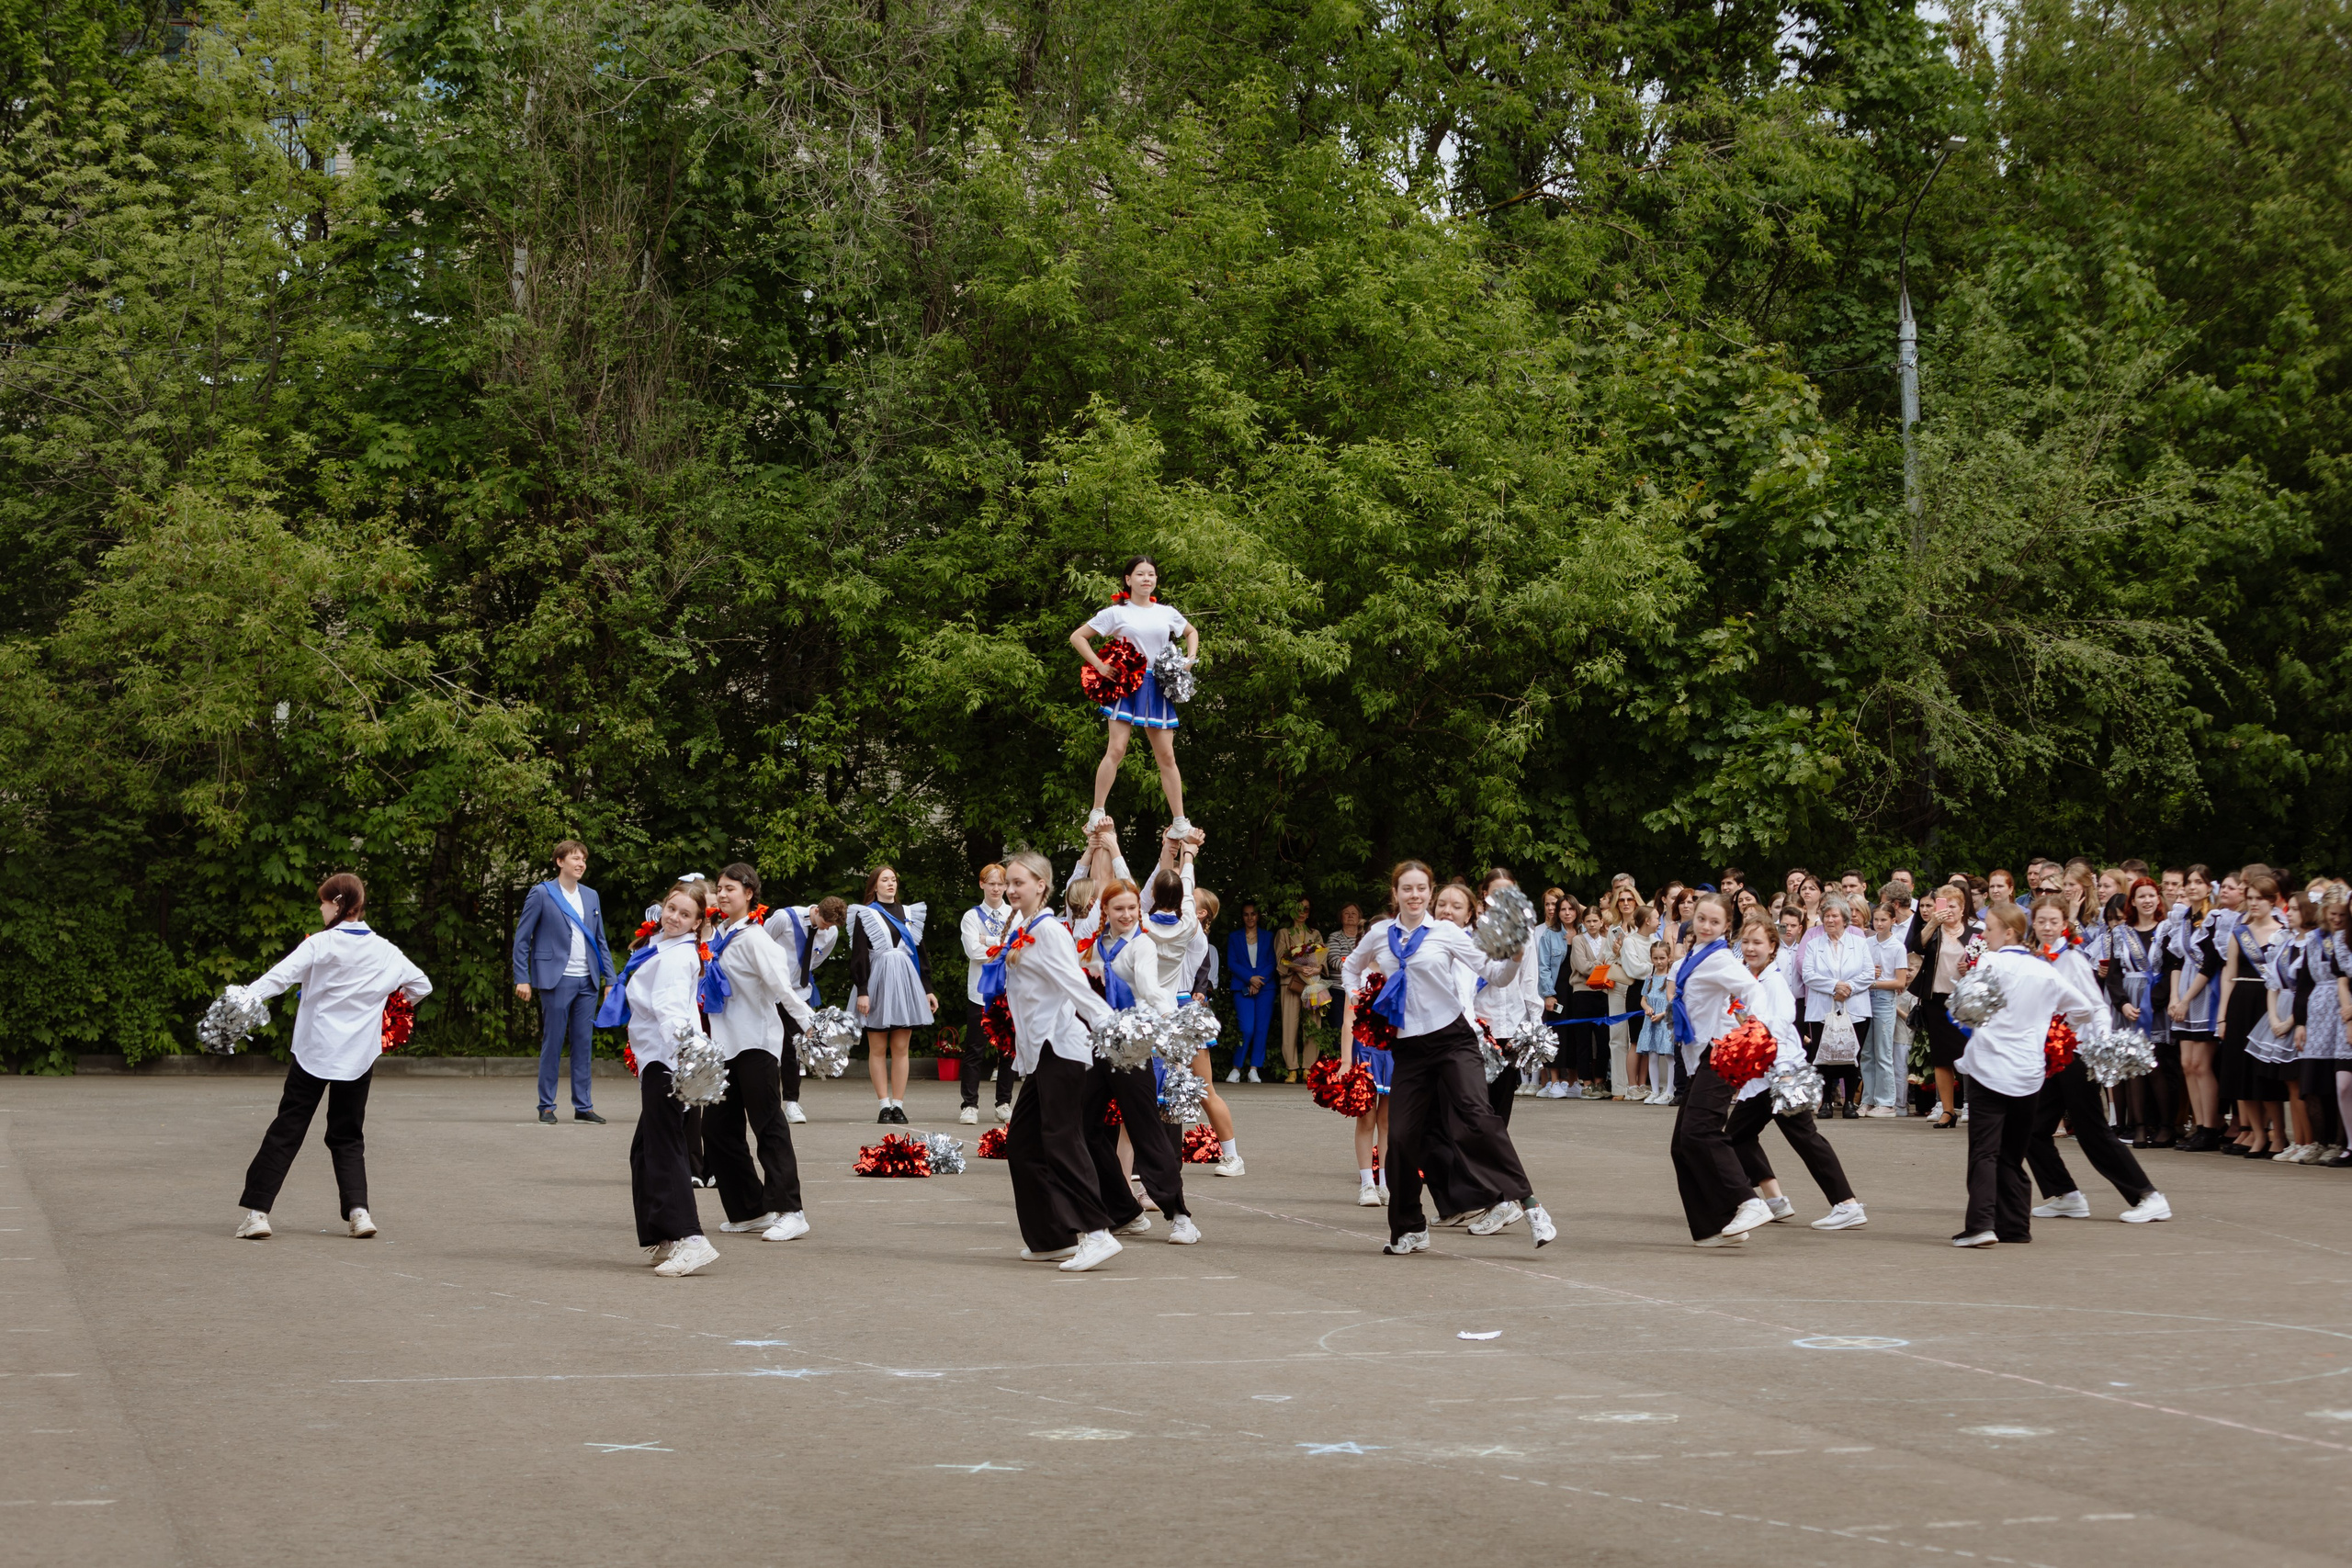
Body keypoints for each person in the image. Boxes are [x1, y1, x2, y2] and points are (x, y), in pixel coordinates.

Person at [1339, 861, 1555, 1254]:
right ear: (1396, 893)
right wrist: (1363, 1001)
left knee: (1476, 1118)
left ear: (1430, 891)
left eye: (1422, 888)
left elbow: (1495, 974)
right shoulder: (1379, 934)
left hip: (1453, 1041)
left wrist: (1517, 956)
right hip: (1408, 1050)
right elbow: (1349, 969)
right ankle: (1410, 1228)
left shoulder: (1445, 934)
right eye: (1407, 888)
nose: (1415, 895)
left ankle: (1530, 1205)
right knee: (1402, 1138)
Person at [232, 874, 432, 1242]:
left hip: (315, 1051)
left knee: (287, 1129)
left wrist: (242, 1000)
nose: (322, 909)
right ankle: (359, 1212)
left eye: (324, 903)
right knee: (348, 1135)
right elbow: (421, 985)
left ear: (337, 905)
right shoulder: (386, 950)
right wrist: (385, 1004)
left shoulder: (320, 944)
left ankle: (258, 1213)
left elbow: (279, 978)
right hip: (358, 1054)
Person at [992, 851, 1123, 1272]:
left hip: (1061, 1048)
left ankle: (1098, 1233)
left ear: (1041, 886)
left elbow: (1074, 984)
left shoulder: (1048, 930)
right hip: (1039, 1053)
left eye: (1019, 883)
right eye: (1008, 883)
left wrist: (1112, 1025)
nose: (1011, 889)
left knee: (1062, 1139)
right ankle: (1052, 1238)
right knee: (1023, 1144)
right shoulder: (1022, 925)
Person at [1951, 900, 2107, 1248]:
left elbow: (1965, 1006)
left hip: (1990, 1069)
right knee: (2011, 1153)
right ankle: (2015, 1226)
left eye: (1989, 929)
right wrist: (2049, 1027)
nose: (1984, 935)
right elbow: (2083, 1007)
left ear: (2008, 932)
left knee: (1985, 1152)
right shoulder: (2046, 971)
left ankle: (1981, 1225)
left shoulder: (1991, 961)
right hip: (2029, 1074)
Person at [2021, 897, 2171, 1224]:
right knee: (2033, 1128)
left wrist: (2100, 1042)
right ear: (2033, 922)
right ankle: (2067, 1195)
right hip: (2049, 1055)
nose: (2047, 927)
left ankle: (2148, 1195)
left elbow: (2096, 1005)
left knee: (2093, 1131)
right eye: (2041, 921)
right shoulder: (2035, 957)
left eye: (2053, 921)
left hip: (2077, 1053)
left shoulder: (2072, 958)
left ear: (2064, 923)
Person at [608, 880, 722, 1276]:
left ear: (696, 924)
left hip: (668, 1063)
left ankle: (692, 1239)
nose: (675, 917)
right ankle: (668, 1236)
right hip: (658, 1060)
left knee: (665, 1150)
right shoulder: (660, 946)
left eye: (685, 914)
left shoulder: (677, 957)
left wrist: (683, 1068)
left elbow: (672, 1012)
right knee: (645, 1151)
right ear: (663, 906)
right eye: (672, 908)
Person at [1725, 917, 1868, 1231]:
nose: (1750, 948)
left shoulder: (1773, 982)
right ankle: (1775, 1200)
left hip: (1783, 1075)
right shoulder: (1751, 979)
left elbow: (1779, 1023)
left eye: (1758, 942)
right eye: (1745, 942)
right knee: (1736, 1136)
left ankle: (1847, 1204)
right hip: (1763, 1078)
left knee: (1806, 1139)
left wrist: (1746, 1034)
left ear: (1772, 947)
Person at [1082, 865, 1200, 1244]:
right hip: (1098, 1047)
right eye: (1119, 909)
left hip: (1132, 1047)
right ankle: (1124, 1210)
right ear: (1106, 911)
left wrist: (1169, 1023)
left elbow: (1149, 988)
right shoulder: (1095, 945)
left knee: (1147, 1131)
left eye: (1132, 908)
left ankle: (1180, 1215)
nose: (1127, 915)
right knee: (1085, 1128)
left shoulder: (1142, 944)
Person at [700, 864, 817, 1244]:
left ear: (749, 893)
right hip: (725, 1047)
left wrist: (810, 1022)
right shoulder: (720, 936)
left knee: (768, 1126)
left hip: (757, 1045)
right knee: (716, 1130)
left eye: (730, 888)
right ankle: (751, 1210)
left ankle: (791, 1210)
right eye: (719, 888)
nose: (722, 894)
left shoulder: (755, 938)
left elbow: (782, 987)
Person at [1663, 891, 1772, 1247]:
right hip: (1699, 1057)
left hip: (1721, 1053)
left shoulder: (1721, 958)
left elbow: (1751, 990)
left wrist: (1756, 1028)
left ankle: (1749, 1201)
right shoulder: (1692, 956)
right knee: (1682, 1146)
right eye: (1702, 919)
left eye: (1715, 922)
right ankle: (1716, 1225)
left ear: (1727, 927)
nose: (1707, 926)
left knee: (1701, 1132)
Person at [1071, 555, 1197, 832]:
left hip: (1159, 685)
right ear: (1128, 580)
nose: (1146, 579)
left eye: (1151, 574)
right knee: (1116, 749)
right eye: (1140, 574)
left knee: (1166, 757)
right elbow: (1078, 636)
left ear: (1155, 580)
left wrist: (1190, 659)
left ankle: (1179, 821)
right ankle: (1097, 811)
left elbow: (1191, 631)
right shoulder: (1116, 612)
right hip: (1126, 684)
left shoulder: (1166, 612)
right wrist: (1100, 666)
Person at [511, 839, 615, 1125]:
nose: (580, 863)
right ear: (559, 862)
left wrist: (611, 979)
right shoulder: (542, 893)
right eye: (574, 858)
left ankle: (583, 1106)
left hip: (588, 980)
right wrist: (523, 977)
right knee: (553, 1042)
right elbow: (522, 939)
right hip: (556, 979)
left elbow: (600, 940)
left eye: (583, 859)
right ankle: (546, 1105)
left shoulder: (591, 896)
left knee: (583, 1045)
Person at [850, 865, 938, 1125]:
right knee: (877, 1047)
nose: (891, 884)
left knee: (901, 1048)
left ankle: (898, 1105)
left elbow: (921, 954)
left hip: (906, 984)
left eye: (893, 879)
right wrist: (863, 990)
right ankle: (883, 1105)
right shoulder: (865, 913)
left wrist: (928, 988)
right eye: (884, 880)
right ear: (874, 886)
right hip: (877, 983)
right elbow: (859, 955)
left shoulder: (911, 913)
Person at [2217, 874, 2291, 1158]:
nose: (2254, 903)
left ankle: (2279, 1135)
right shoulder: (2239, 932)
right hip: (2241, 1003)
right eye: (2250, 898)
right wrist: (2222, 1016)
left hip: (2270, 1004)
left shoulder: (2284, 931)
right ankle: (2258, 1135)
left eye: (2260, 898)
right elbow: (2229, 973)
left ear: (2272, 901)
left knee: (2266, 1075)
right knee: (2241, 1073)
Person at [2104, 877, 2175, 1146]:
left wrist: (2154, 1001)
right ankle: (2139, 1126)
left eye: (2151, 895)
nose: (2147, 900)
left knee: (2154, 1067)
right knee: (2132, 1068)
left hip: (2155, 1002)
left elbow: (2171, 970)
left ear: (2158, 899)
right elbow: (2113, 975)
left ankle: (2166, 1126)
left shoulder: (2167, 931)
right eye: (2141, 896)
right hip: (2128, 1004)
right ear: (2132, 901)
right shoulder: (2121, 933)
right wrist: (2122, 1003)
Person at [1183, 886, 1243, 1175]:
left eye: (1188, 896)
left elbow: (1201, 978)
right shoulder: (1168, 925)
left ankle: (1232, 1155)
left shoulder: (1195, 935)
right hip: (1160, 1011)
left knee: (1205, 1089)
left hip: (1185, 1013)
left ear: (1201, 913)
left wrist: (1198, 993)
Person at [1909, 885, 1980, 1128]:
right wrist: (1932, 923)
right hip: (1936, 1001)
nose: (1948, 910)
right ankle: (1948, 1111)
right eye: (1944, 905)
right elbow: (1915, 947)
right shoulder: (1933, 932)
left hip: (1966, 1002)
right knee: (1941, 1059)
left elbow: (1988, 966)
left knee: (1970, 1054)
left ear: (1962, 909)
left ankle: (1976, 1106)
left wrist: (1972, 968)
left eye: (1953, 906)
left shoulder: (1974, 934)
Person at [1800, 893, 1874, 1117]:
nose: (1830, 920)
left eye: (1834, 916)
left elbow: (1869, 973)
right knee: (1821, 1056)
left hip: (1855, 1007)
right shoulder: (1813, 945)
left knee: (1853, 1055)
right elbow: (1808, 975)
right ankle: (1825, 1103)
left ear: (1844, 918)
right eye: (1826, 916)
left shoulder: (1860, 943)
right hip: (1822, 1007)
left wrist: (1848, 987)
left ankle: (1850, 1102)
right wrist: (1834, 986)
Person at [774, 896, 844, 1124]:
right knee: (768, 1048)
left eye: (831, 926)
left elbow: (816, 960)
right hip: (770, 992)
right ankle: (769, 1102)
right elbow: (759, 946)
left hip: (797, 993)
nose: (826, 929)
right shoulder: (785, 918)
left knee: (795, 1048)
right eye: (825, 923)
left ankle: (792, 1102)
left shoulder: (831, 932)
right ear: (816, 911)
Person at [957, 863, 1018, 1125]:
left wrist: (988, 941)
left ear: (1006, 887)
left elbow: (1019, 948)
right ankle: (969, 1104)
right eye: (991, 883)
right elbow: (973, 951)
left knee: (1008, 1051)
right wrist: (1000, 946)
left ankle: (1003, 1103)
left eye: (1000, 884)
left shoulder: (1015, 914)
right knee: (975, 1050)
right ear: (981, 884)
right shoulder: (971, 916)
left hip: (1009, 991)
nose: (996, 888)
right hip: (980, 992)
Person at [1862, 903, 1912, 1116]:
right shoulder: (1867, 943)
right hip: (1865, 999)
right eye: (1876, 920)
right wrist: (1867, 978)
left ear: (1893, 921)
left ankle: (1887, 1101)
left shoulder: (1897, 947)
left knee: (1883, 1051)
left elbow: (1899, 982)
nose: (1879, 924)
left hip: (1883, 1000)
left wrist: (1872, 983)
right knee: (1866, 1052)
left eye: (1884, 920)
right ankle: (1868, 1099)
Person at [1224, 900, 1276, 1083]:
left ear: (1258, 916)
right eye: (1246, 914)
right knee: (1246, 1028)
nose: (1250, 917)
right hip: (1242, 986)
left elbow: (1272, 962)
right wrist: (1250, 978)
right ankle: (1236, 1069)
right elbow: (1232, 963)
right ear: (1242, 917)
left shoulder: (1268, 936)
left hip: (1265, 987)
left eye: (1253, 914)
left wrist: (1258, 981)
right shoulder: (1234, 937)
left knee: (1261, 1028)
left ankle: (1254, 1069)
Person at [1274, 897, 1326, 1083]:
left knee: (1313, 1024)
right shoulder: (1284, 932)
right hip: (1290, 981)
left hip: (1312, 982)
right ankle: (1292, 1069)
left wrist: (1318, 969)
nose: (1302, 912)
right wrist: (1297, 967)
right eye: (1299, 909)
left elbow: (1322, 959)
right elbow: (1280, 959)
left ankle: (1309, 1068)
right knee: (1289, 1024)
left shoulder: (1316, 933)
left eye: (1306, 909)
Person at [1636, 941, 1679, 1103]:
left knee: (1669, 1056)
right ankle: (1654, 1090)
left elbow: (1673, 1001)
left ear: (1669, 958)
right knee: (1652, 1055)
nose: (1659, 962)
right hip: (1651, 1022)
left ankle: (1669, 1091)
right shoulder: (1650, 978)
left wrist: (1662, 1014)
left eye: (1662, 958)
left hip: (1666, 1020)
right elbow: (1643, 999)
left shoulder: (1671, 979)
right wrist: (1647, 1008)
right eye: (1655, 958)